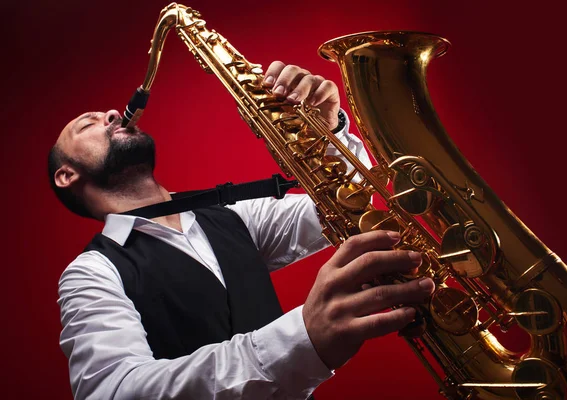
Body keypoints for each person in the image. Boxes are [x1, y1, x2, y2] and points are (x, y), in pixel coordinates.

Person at [51, 61, 435, 400]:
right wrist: (300, 338)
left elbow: (342, 203)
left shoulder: (232, 216)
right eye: (90, 123)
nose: (115, 115)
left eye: (109, 114)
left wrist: (327, 128)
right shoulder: (91, 273)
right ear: (66, 175)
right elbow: (116, 391)